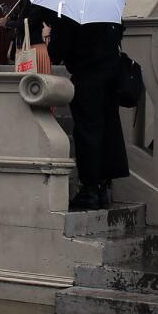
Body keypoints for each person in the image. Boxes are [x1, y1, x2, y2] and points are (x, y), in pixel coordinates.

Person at [47, 13, 128, 209]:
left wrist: (51, 37)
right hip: (110, 77)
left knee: (88, 132)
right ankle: (101, 188)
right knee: (108, 130)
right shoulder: (109, 12)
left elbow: (57, 52)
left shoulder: (69, 13)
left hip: (87, 78)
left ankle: (90, 190)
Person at [0, 0, 55, 75]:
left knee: (37, 81)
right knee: (25, 81)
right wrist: (10, 19)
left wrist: (8, 23)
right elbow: (22, 20)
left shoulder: (39, 2)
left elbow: (30, 22)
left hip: (35, 47)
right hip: (23, 46)